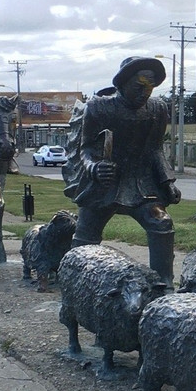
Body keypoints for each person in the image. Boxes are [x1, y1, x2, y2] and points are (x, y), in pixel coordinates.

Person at [62, 57, 181, 285]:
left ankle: (162, 285)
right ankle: (75, 282)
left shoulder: (157, 109)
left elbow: (156, 149)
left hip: (141, 184)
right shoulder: (98, 107)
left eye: (149, 88)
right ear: (122, 84)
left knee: (162, 222)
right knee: (86, 236)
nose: (144, 93)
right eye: (138, 87)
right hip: (103, 184)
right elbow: (85, 148)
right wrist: (95, 167)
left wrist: (167, 182)